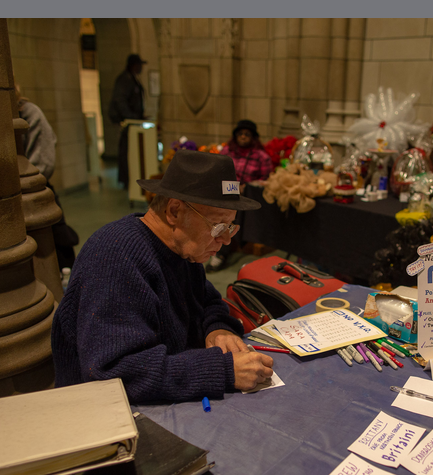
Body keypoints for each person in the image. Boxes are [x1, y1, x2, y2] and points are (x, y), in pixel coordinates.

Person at [51, 150, 274, 404]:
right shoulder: (115, 257)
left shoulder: (182, 250)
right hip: (106, 414)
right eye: (218, 226)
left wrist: (217, 329)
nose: (225, 240)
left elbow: (209, 301)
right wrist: (221, 370)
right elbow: (114, 374)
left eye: (231, 227)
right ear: (175, 212)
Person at [15, 84, 79, 269]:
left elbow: (44, 162)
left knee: (56, 258)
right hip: (14, 202)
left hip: (34, 193)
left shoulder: (28, 112)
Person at [206, 119, 273, 272]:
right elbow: (217, 171)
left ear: (253, 137)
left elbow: (266, 181)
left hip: (247, 197)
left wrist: (246, 187)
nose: (243, 137)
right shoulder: (226, 152)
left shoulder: (262, 156)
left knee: (230, 213)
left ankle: (220, 255)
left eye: (247, 134)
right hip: (223, 193)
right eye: (240, 133)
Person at [108, 53, 147, 188]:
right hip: (129, 125)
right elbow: (120, 101)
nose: (141, 68)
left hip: (135, 123)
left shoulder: (132, 79)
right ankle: (127, 181)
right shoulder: (124, 80)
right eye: (139, 65)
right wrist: (131, 118)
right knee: (127, 153)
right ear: (133, 66)